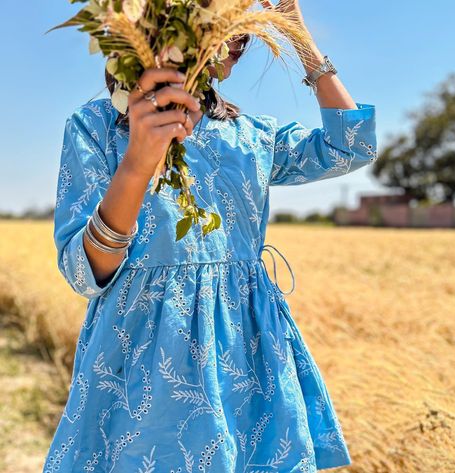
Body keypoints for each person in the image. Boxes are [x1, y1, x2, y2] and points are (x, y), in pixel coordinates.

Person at [43, 4, 377, 472]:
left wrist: (297, 36)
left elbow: (353, 146)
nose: (239, 32)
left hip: (245, 351)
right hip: (142, 362)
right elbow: (83, 273)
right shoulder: (95, 127)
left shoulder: (250, 134)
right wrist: (139, 162)